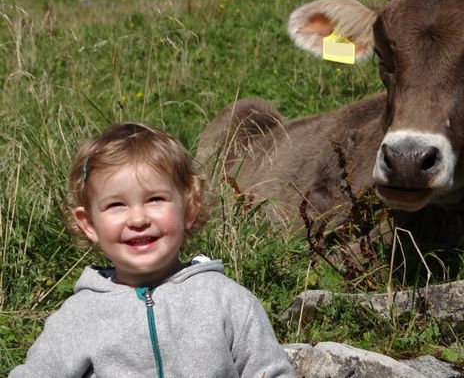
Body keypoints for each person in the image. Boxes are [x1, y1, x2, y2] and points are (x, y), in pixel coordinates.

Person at [10, 122, 295, 378]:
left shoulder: (226, 300)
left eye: (155, 199)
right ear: (89, 224)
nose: (138, 219)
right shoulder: (78, 316)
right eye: (116, 205)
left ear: (190, 208)